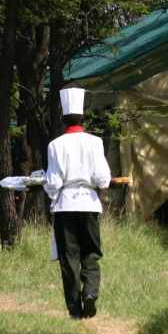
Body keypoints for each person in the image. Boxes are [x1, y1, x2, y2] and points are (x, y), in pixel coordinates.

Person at [44, 88, 112, 319]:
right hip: (90, 205)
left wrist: (49, 190)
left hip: (65, 207)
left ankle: (74, 309)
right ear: (83, 118)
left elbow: (53, 183)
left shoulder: (55, 145)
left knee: (69, 258)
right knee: (91, 253)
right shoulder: (95, 142)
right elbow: (103, 180)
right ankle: (90, 293)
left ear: (63, 119)